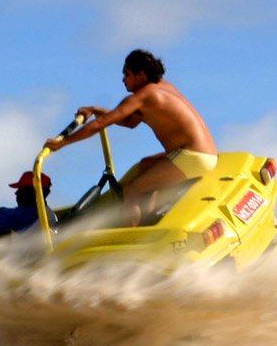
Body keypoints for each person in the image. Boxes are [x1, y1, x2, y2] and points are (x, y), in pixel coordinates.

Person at [44, 49, 217, 225]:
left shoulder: (143, 97)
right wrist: (96, 109)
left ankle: (132, 230)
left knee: (132, 190)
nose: (123, 79)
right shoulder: (163, 87)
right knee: (145, 165)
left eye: (126, 74)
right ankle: (149, 219)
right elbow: (130, 121)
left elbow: (101, 124)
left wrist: (63, 142)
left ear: (140, 74)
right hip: (206, 154)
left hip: (193, 157)